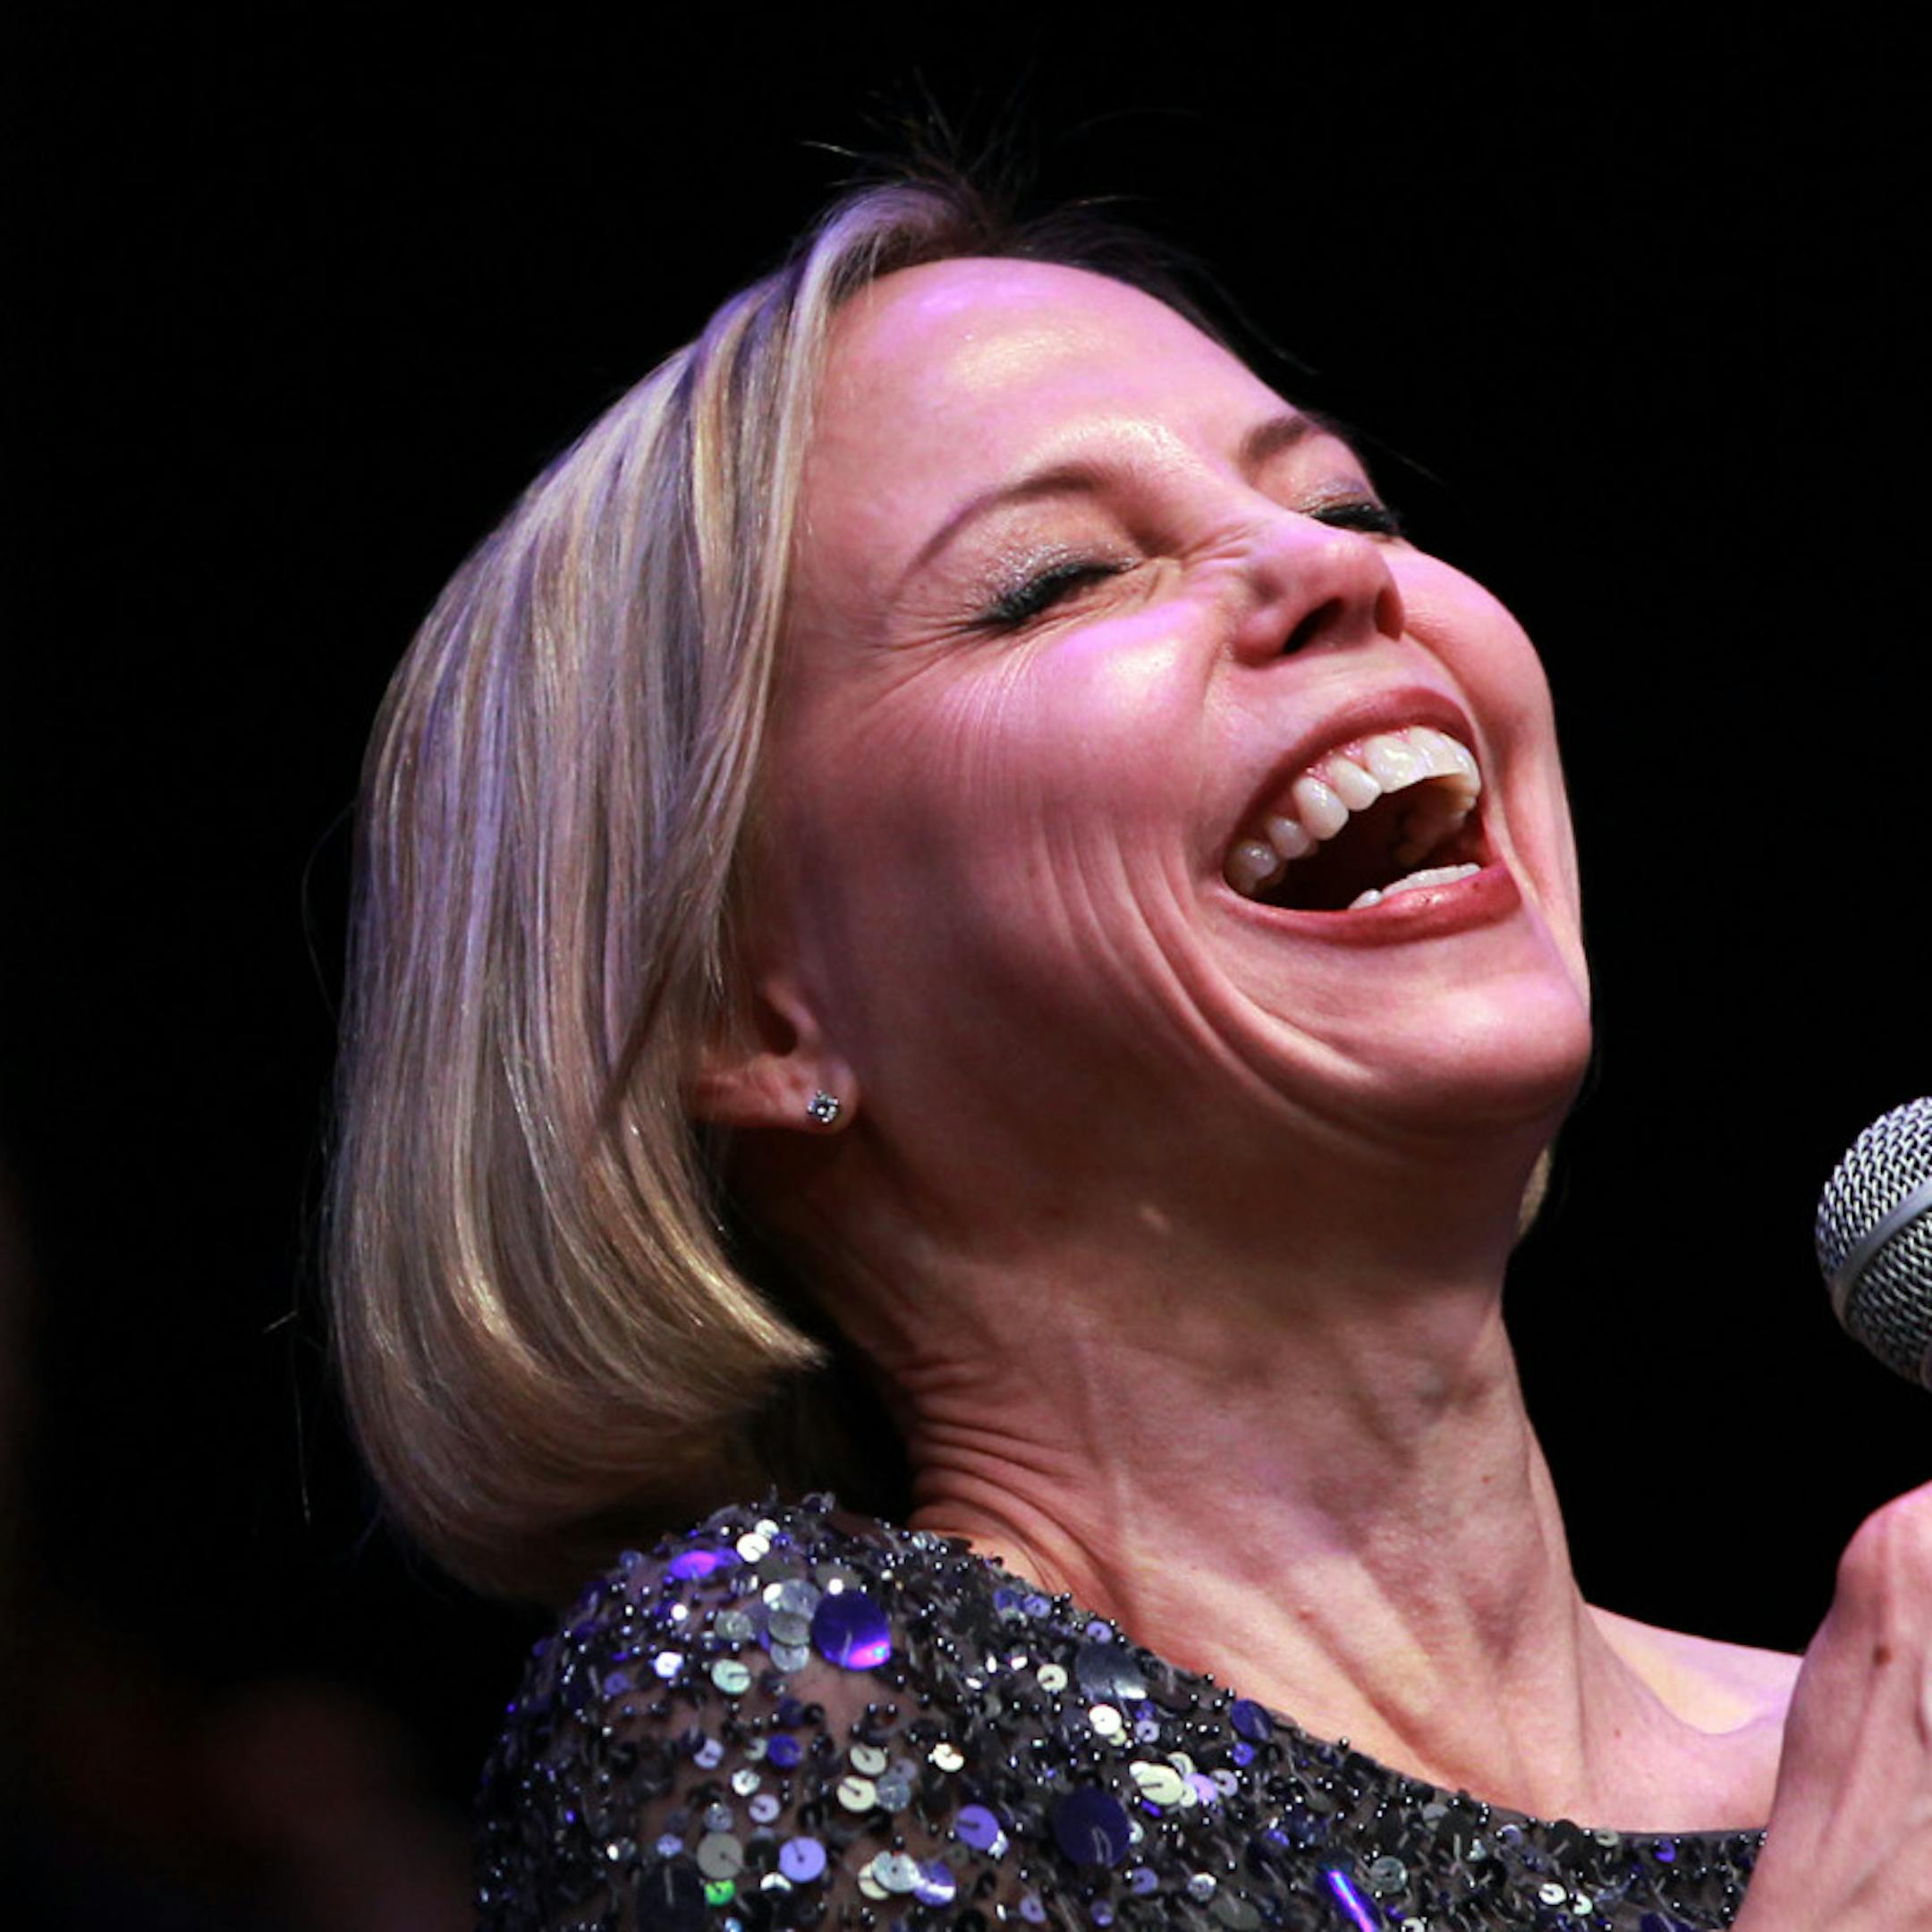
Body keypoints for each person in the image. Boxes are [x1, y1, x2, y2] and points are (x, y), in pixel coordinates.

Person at [328, 169, 1932, 1931]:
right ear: (747, 1012)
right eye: (1057, 582)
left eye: (1349, 503)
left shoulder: (1885, 1743)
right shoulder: (796, 1716)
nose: (1336, 567)